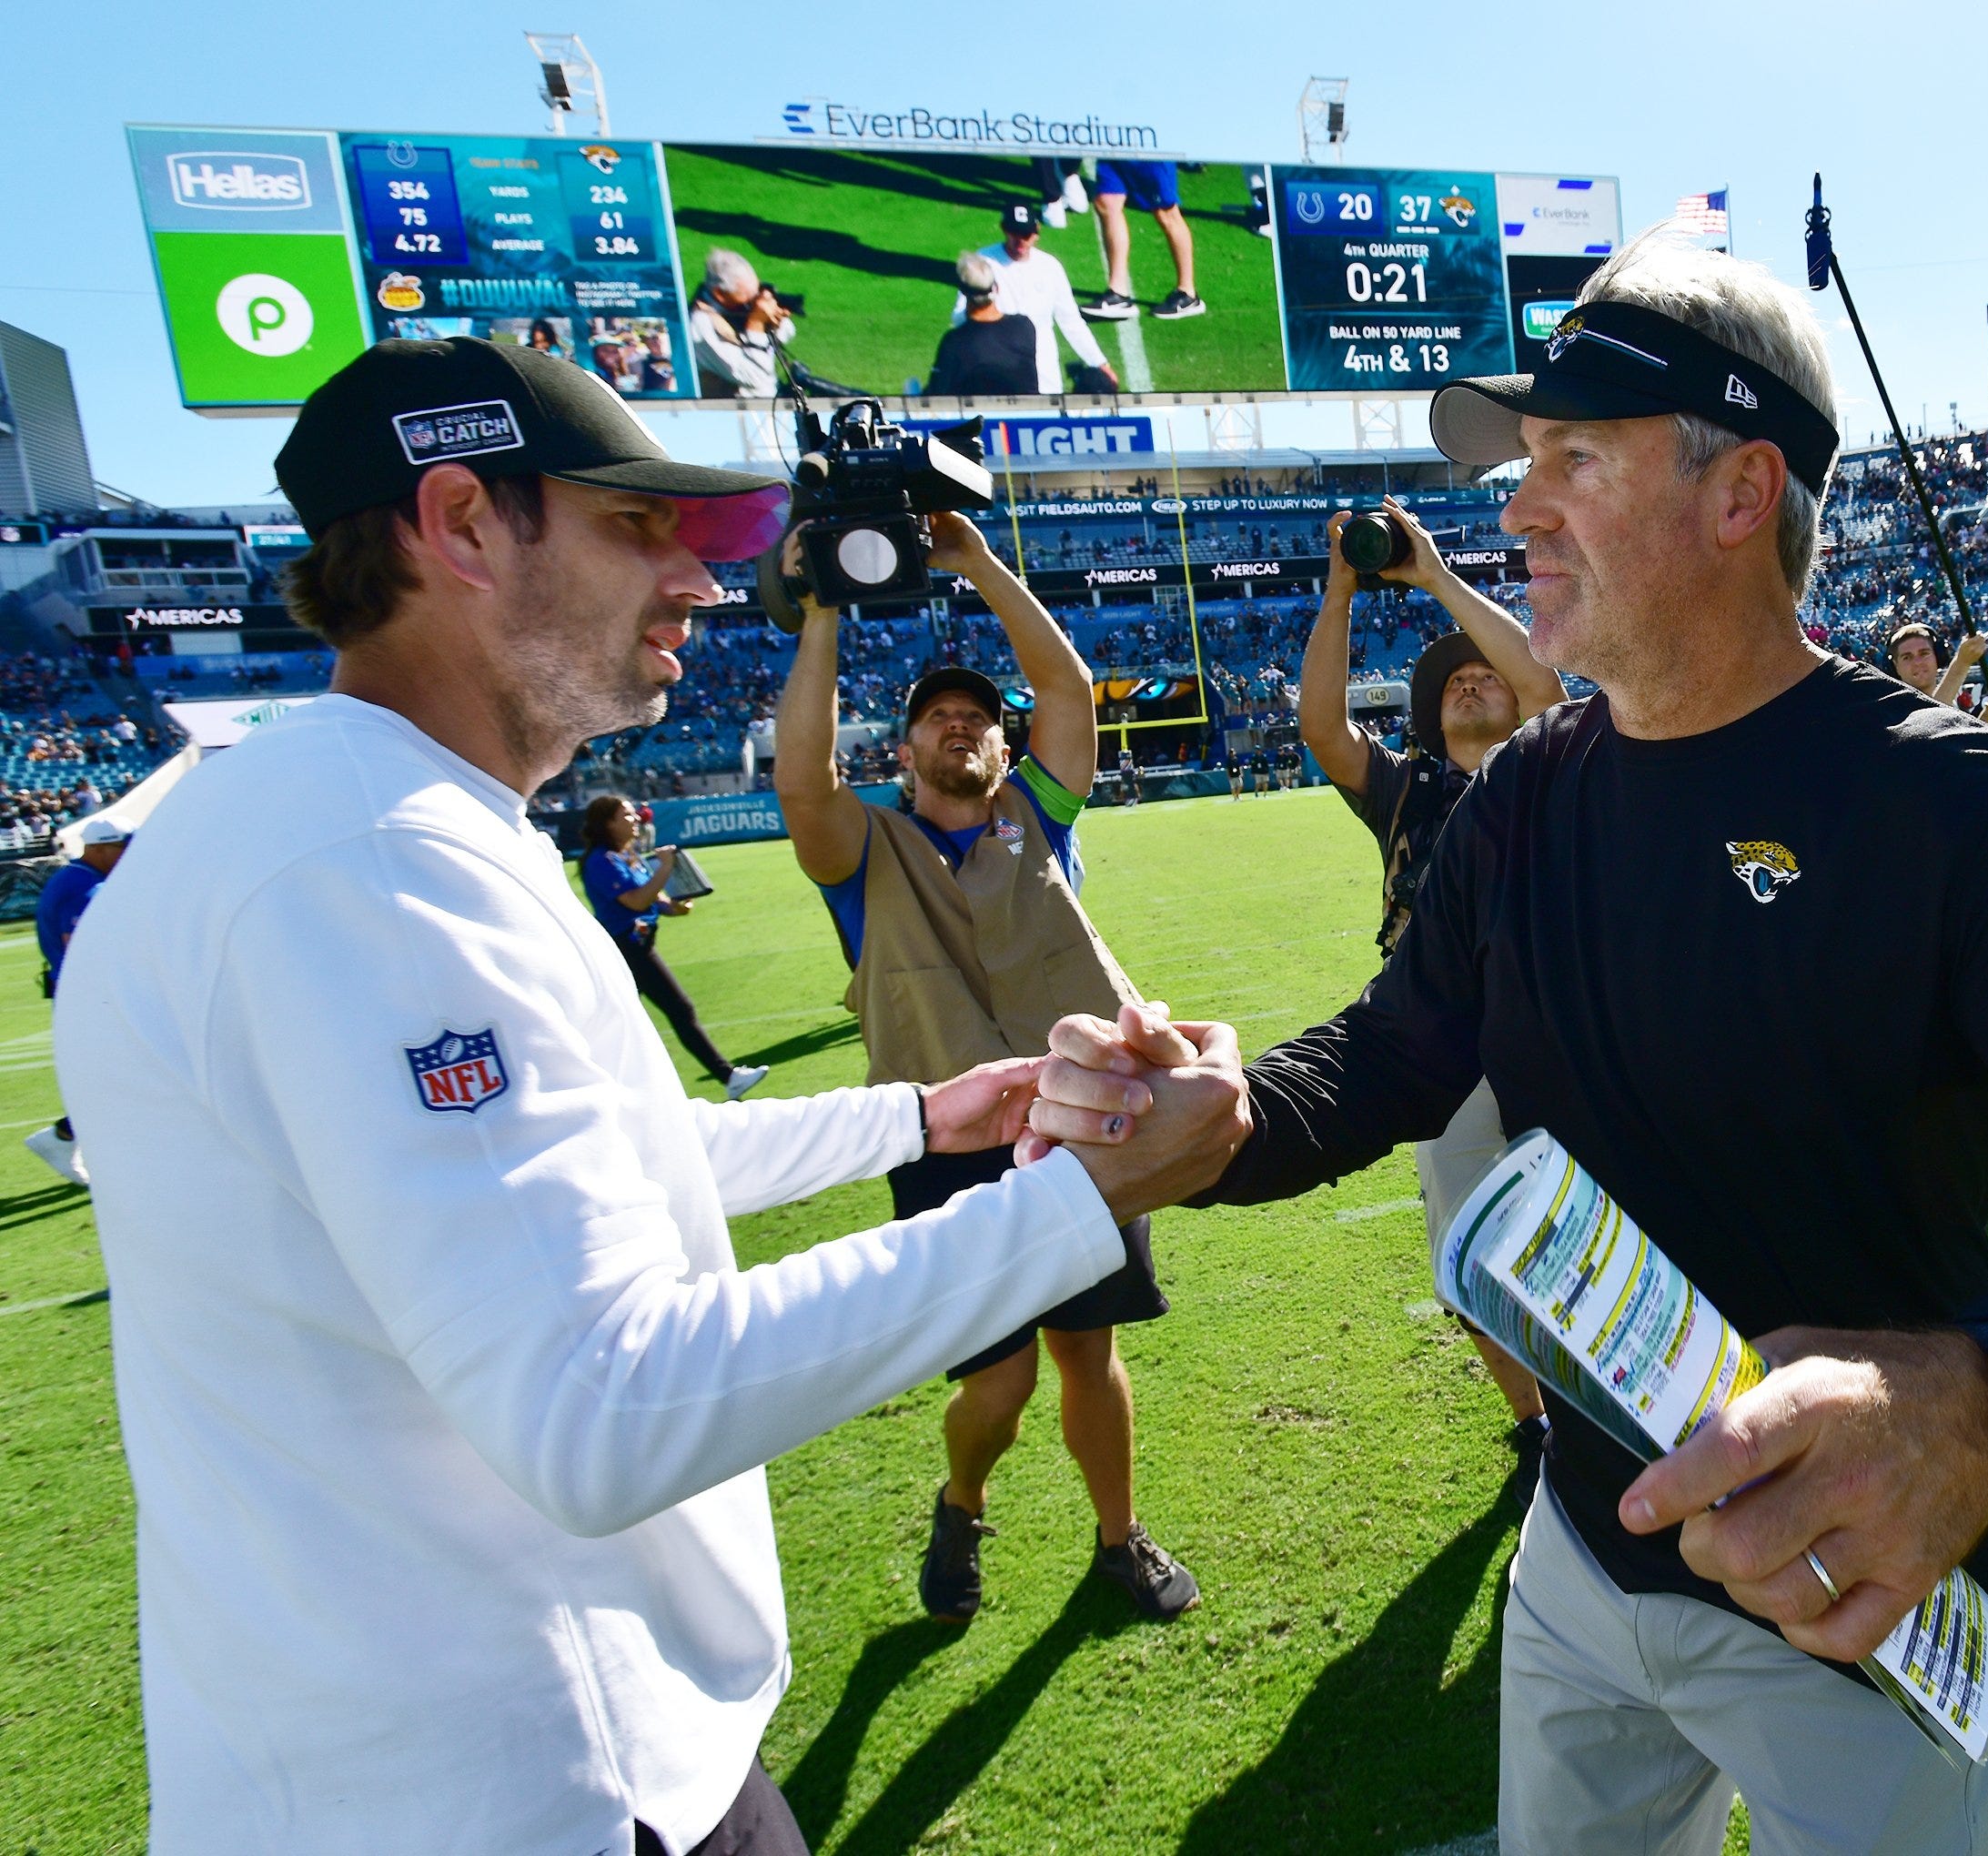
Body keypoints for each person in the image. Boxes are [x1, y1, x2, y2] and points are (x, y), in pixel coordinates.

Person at [1034, 241, 1988, 1855]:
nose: (1519, 509)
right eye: (1527, 465)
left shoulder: (1946, 807)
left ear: (1740, 495)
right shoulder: (1524, 798)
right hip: (1582, 1555)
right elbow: (1389, 1055)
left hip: (1852, 1598)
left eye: (1575, 459)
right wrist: (1217, 1117)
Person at [53, 335, 1247, 1853]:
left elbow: (570, 1167)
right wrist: (1084, 1198)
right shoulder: (380, 865)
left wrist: (926, 1115)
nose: (693, 578)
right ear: (465, 525)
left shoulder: (353, 823)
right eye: (638, 525)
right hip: (523, 1776)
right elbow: (599, 1405)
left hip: (465, 1752)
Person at [772, 509, 1196, 1626]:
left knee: (1088, 1354)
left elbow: (1063, 690)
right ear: (901, 752)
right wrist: (822, 608)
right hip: (950, 1141)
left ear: (1004, 752)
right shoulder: (862, 854)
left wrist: (975, 562)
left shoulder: (1039, 821)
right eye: (936, 720)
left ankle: (1120, 1540)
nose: (961, 727)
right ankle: (961, 1503)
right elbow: (802, 782)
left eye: (978, 720)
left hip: (1079, 1119)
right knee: (997, 1382)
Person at [1298, 498, 1569, 1458]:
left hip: (1559, 1023)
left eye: (1481, 674)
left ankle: (1602, 1407)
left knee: (1592, 1227)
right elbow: (1324, 727)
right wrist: (1340, 590)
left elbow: (1547, 684)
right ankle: (1535, 1425)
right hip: (1442, 1035)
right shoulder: (1405, 786)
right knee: (1473, 1251)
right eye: (1450, 681)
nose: (1467, 683)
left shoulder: (1553, 766)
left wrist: (1434, 576)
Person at [578, 793, 767, 1102]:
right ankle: (728, 1076)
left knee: (620, 1023)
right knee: (677, 1009)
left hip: (638, 944)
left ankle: (612, 1093)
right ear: (608, 823)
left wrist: (675, 907)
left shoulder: (626, 855)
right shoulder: (602, 861)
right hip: (625, 948)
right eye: (626, 814)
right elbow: (636, 900)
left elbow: (652, 899)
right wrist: (665, 868)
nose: (636, 818)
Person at [25, 814, 127, 1186]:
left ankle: (67, 1138)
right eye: (121, 848)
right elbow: (82, 949)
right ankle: (64, 1137)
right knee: (117, 1075)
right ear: (99, 849)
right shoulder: (83, 888)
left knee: (116, 1076)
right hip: (89, 998)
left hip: (83, 996)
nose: (127, 856)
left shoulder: (79, 880)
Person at [953, 204, 1117, 397]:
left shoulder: (1050, 267)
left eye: (1026, 234)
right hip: (994, 366)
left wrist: (1099, 362)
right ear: (1004, 229)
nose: (1020, 241)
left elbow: (1070, 321)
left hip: (1043, 369)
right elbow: (959, 316)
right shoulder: (983, 263)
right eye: (1015, 233)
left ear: (1037, 232)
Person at [1085, 159, 1204, 321]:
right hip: (1115, 142)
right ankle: (1118, 293)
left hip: (1148, 147)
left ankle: (1188, 293)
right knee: (1106, 201)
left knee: (1165, 212)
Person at [924, 252, 1041, 400]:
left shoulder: (954, 342)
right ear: (996, 288)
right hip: (1027, 415)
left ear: (963, 292)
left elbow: (937, 395)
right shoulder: (1025, 327)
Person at [686, 247, 791, 399]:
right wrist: (756, 325)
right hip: (735, 413)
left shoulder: (737, 307)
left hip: (771, 404)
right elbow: (755, 377)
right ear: (719, 294)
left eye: (756, 293)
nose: (754, 302)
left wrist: (775, 321)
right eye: (748, 297)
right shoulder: (700, 324)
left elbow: (788, 331)